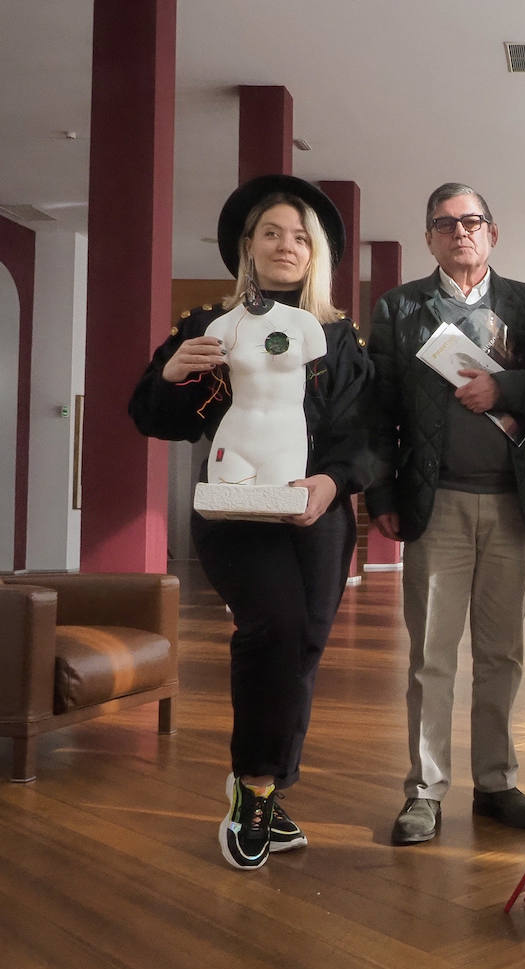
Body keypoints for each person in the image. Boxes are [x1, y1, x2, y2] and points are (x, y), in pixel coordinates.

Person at [128, 174, 374, 870]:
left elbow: (360, 432)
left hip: (316, 510)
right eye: (271, 232)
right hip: (235, 508)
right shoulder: (212, 325)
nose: (286, 244)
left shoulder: (338, 338)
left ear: (315, 252)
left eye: (300, 236)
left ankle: (268, 784)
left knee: (305, 645)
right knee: (275, 625)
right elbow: (155, 417)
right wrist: (172, 370)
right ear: (248, 245)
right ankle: (255, 786)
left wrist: (332, 481)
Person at [367, 183, 525, 844]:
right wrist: (380, 496)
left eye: (473, 221)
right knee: (431, 655)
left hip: (514, 503)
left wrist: (505, 385)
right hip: (437, 503)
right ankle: (425, 790)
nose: (461, 233)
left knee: (502, 654)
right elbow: (377, 412)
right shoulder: (401, 308)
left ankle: (494, 781)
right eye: (446, 224)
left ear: (493, 233)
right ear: (430, 237)